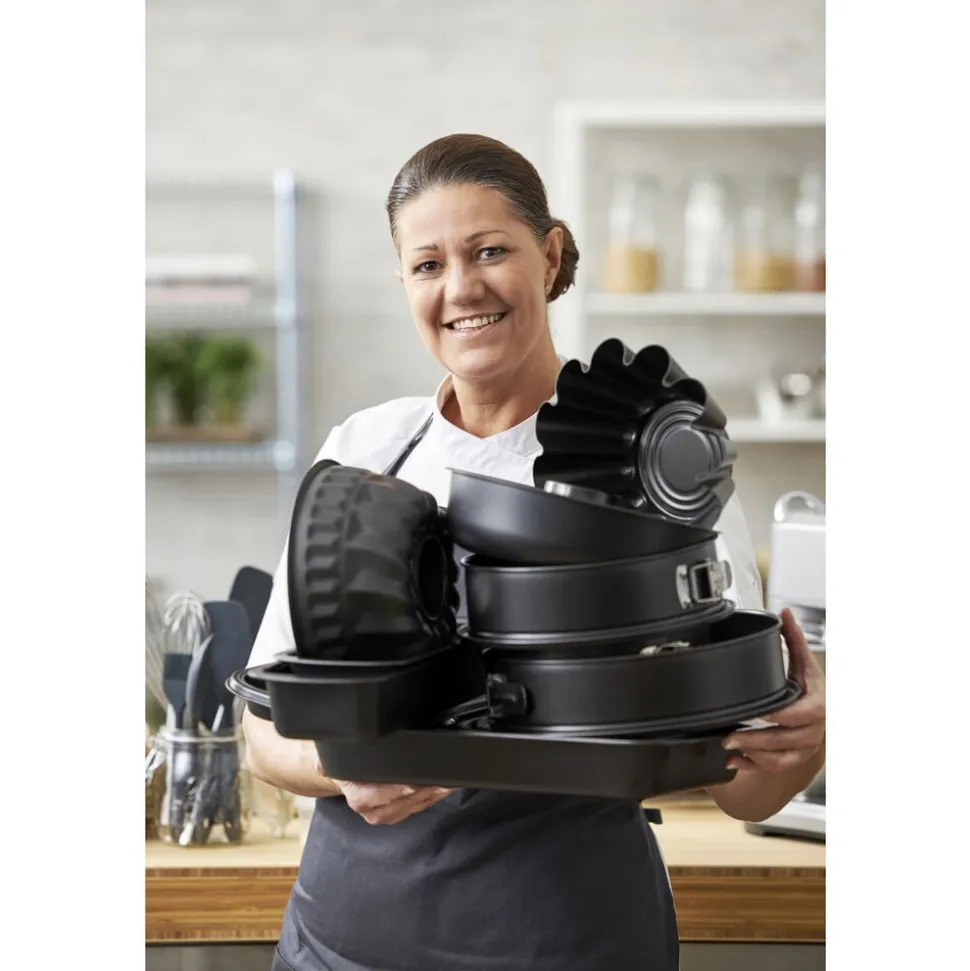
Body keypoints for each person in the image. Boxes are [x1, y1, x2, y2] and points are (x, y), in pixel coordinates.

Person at [244, 133, 826, 971]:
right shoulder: (365, 451)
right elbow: (265, 727)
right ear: (405, 282)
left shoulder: (650, 459)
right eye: (428, 264)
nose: (461, 288)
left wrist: (803, 739)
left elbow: (747, 787)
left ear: (550, 256)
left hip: (567, 939)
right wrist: (345, 769)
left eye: (490, 251)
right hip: (343, 943)